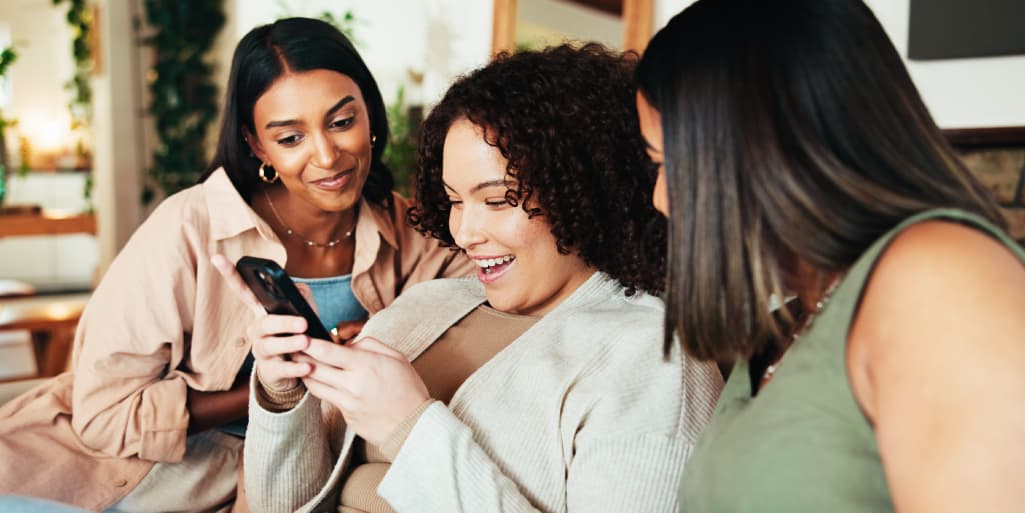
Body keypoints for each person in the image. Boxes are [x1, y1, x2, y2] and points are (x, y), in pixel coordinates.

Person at [224, 44, 723, 513]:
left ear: (584, 192)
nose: (464, 233)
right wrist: (283, 392)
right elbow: (282, 505)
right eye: (454, 200)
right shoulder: (426, 305)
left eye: (498, 199)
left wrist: (409, 427)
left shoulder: (655, 360)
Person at [0, 17, 470, 513]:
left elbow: (479, 309)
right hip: (118, 475)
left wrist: (379, 345)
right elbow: (105, 415)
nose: (327, 156)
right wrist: (286, 379)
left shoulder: (410, 233)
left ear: (370, 115)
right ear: (256, 144)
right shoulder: (188, 227)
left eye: (341, 122)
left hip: (280, 479)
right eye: (290, 138)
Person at [635, 0, 1025, 511]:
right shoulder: (787, 325)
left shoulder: (939, 281)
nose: (660, 198)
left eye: (668, 162)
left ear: (765, 145)